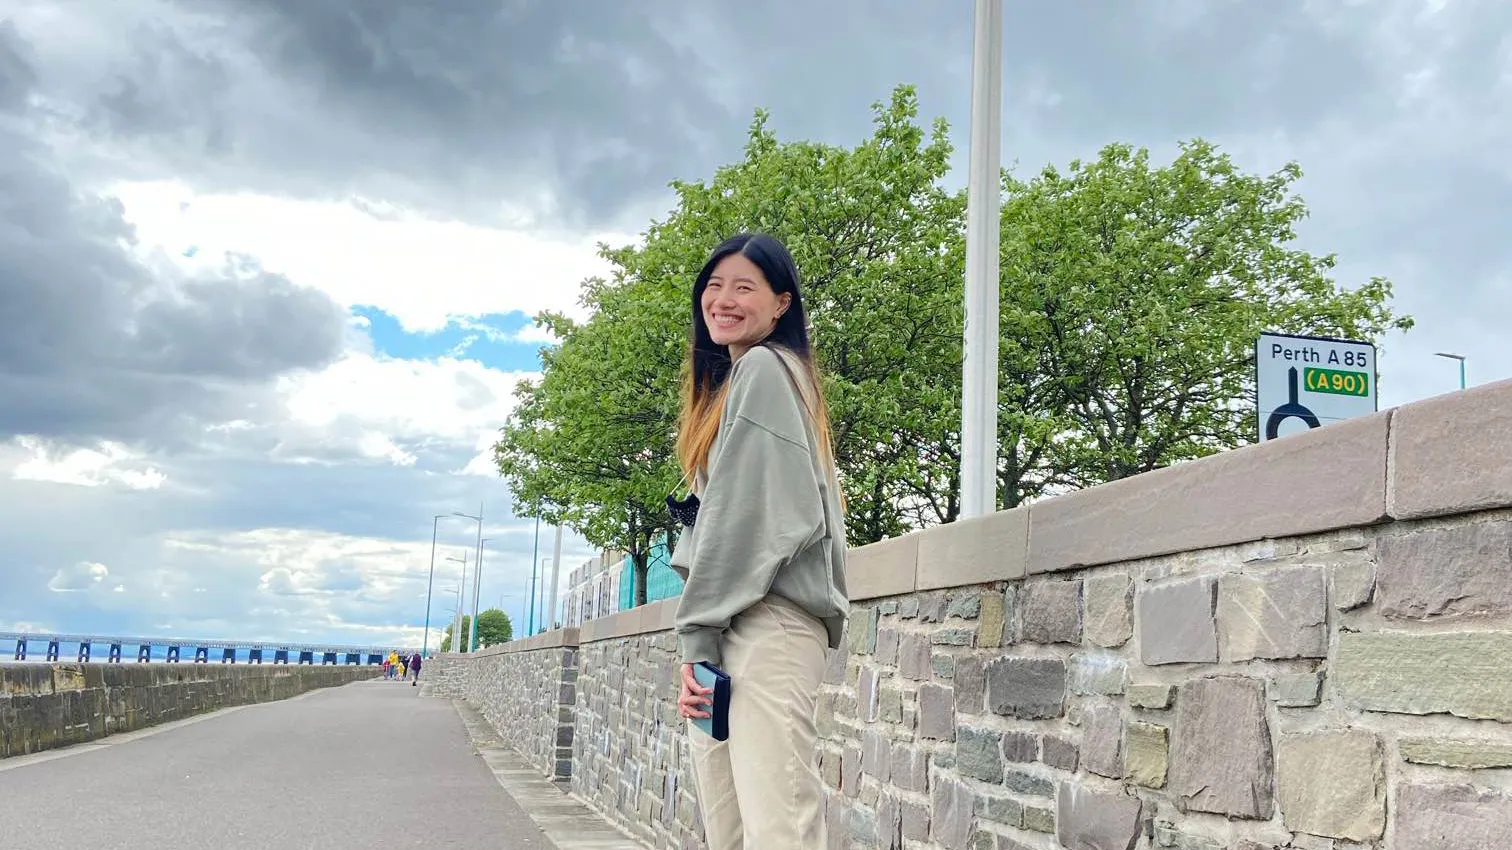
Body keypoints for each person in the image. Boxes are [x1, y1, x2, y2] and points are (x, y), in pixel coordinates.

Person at [670, 232, 849, 849]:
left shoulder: (766, 370)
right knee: (736, 829)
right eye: (713, 286)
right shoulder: (739, 383)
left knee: (777, 828)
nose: (723, 299)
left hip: (766, 625)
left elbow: (741, 522)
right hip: (735, 626)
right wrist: (703, 641)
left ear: (781, 304)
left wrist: (697, 635)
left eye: (744, 287)